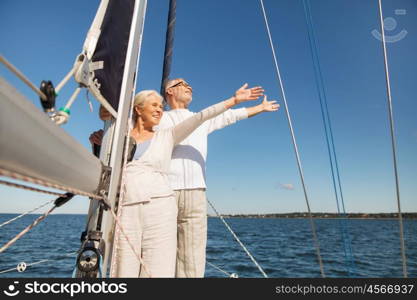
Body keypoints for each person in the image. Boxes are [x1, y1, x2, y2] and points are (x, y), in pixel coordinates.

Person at [112, 85, 269, 277]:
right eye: (182, 84)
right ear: (169, 90)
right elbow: (122, 126)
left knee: (184, 259)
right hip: (149, 195)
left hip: (181, 195)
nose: (189, 87)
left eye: (159, 105)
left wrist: (250, 106)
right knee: (133, 261)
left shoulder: (185, 125)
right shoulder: (153, 122)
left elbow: (221, 116)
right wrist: (104, 124)